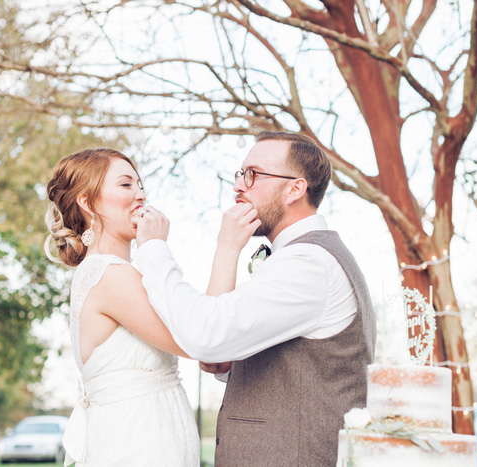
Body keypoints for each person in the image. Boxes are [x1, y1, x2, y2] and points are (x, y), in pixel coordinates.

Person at [133, 131, 376, 466]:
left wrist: (153, 251)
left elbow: (208, 336)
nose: (239, 185)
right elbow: (220, 353)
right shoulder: (294, 259)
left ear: (295, 189)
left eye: (254, 174)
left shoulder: (309, 263)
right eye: (240, 173)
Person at [45, 148, 231, 466]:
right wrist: (228, 245)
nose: (141, 195)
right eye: (126, 185)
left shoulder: (115, 273)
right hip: (137, 443)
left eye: (140, 184)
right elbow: (208, 343)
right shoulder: (108, 274)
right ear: (87, 202)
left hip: (148, 436)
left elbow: (207, 330)